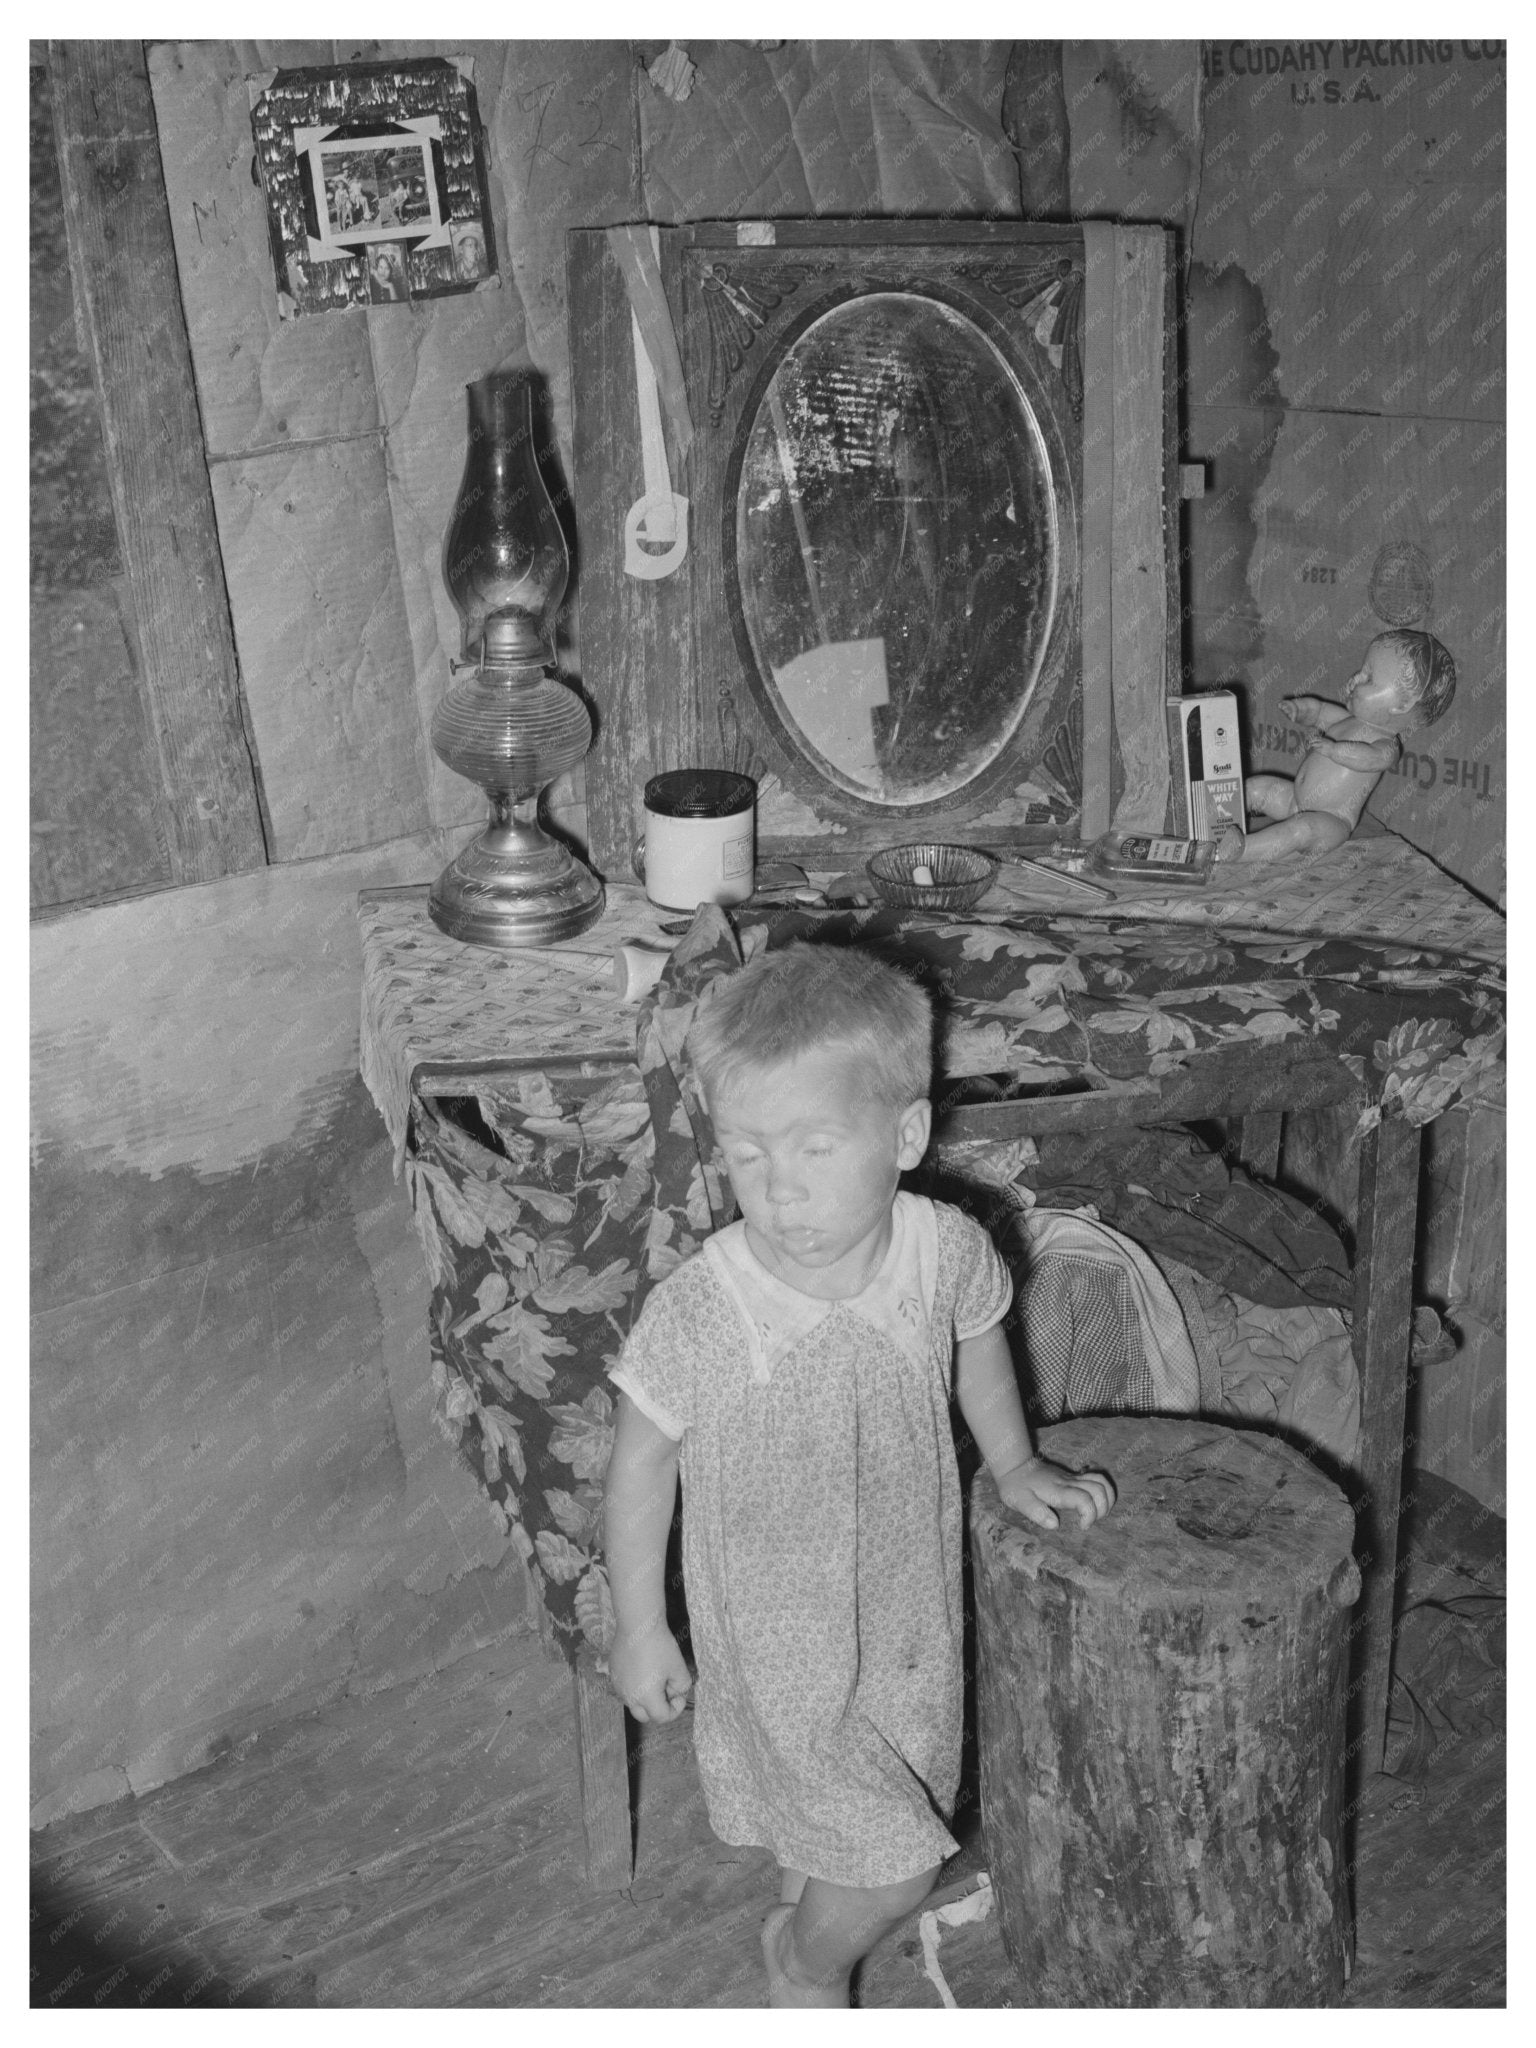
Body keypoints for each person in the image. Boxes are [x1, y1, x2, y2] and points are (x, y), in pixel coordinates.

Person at [603, 943, 1116, 2007]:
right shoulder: (710, 1305)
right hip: (777, 1633)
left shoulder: (945, 1245)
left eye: (815, 1149)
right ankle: (804, 1959)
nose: (779, 1192)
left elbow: (977, 1335)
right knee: (897, 1861)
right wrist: (639, 1621)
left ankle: (809, 1909)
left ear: (907, 1134)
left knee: (868, 1799)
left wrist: (1014, 1458)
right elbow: (641, 1458)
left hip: (904, 1608)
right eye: (746, 1156)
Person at [1217, 628, 1457, 864]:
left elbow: (1370, 758)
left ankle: (1242, 850)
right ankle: (1212, 823)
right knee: (1256, 787)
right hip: (1294, 800)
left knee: (1301, 830)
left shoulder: (1387, 745)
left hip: (1330, 821)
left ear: (1402, 705)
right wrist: (1301, 711)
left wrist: (1335, 750)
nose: (1355, 679)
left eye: (1368, 678)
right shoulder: (1346, 720)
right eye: (1360, 670)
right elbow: (1319, 711)